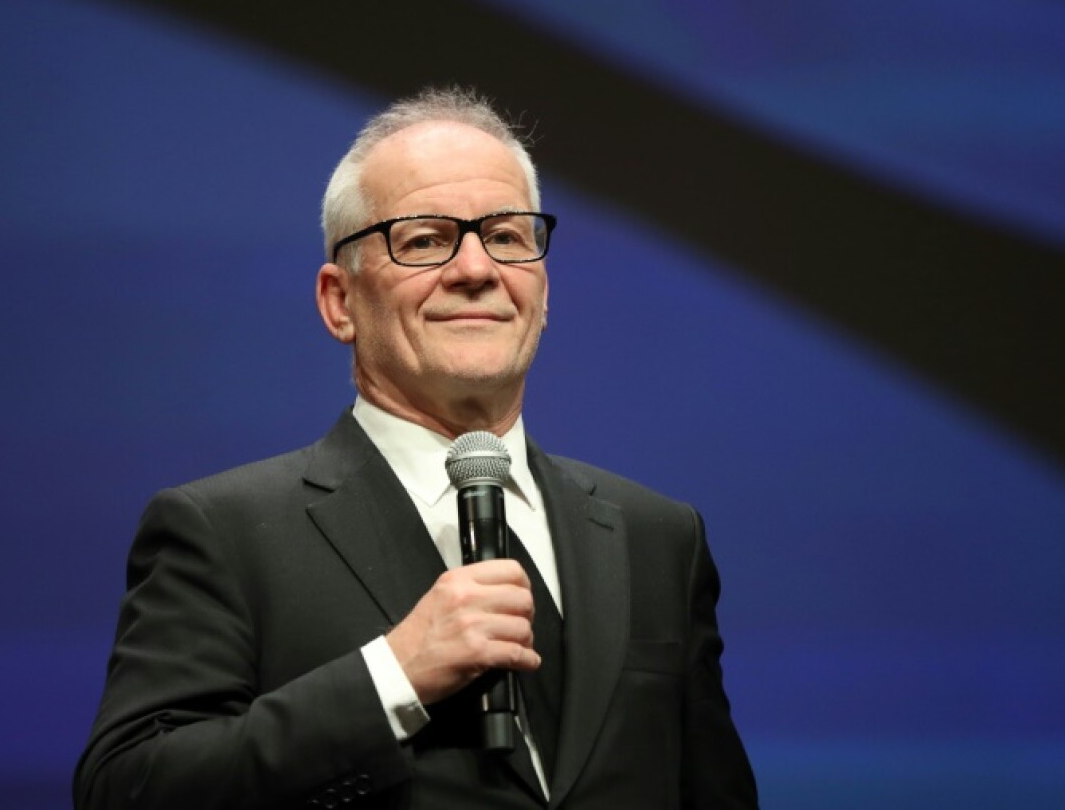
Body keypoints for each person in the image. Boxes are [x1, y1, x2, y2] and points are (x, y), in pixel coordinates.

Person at [74, 87, 758, 809]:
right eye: (425, 240)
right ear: (340, 301)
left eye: (507, 236)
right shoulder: (224, 533)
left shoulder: (658, 537)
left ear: (542, 289)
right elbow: (127, 790)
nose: (476, 269)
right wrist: (392, 676)